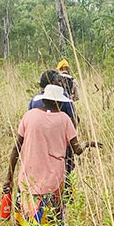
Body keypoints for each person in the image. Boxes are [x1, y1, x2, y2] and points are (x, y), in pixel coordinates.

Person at [4, 84, 92, 226]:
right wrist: (88, 143)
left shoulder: (29, 116)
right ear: (59, 103)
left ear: (43, 99)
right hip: (54, 181)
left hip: (28, 180)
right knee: (54, 225)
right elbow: (77, 149)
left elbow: (16, 149)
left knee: (27, 225)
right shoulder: (65, 119)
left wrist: (8, 178)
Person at [28, 70, 77, 202]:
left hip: (37, 149)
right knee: (63, 174)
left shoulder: (34, 100)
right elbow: (73, 122)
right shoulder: (64, 98)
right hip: (59, 147)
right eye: (58, 81)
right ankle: (63, 199)